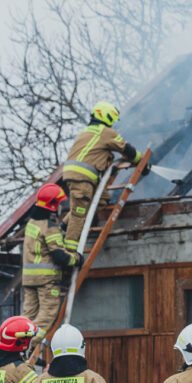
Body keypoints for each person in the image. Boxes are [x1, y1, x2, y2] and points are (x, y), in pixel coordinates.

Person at [60, 101, 145, 251]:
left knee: (102, 200)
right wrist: (143, 162)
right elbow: (126, 149)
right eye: (112, 119)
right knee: (79, 213)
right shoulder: (105, 132)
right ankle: (69, 250)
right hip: (83, 177)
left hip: (76, 175)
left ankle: (63, 225)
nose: (113, 124)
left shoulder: (86, 131)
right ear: (107, 117)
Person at [22, 183, 81, 346]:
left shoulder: (32, 223)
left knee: (28, 317)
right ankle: (27, 345)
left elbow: (44, 241)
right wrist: (77, 259)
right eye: (59, 203)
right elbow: (60, 256)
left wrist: (61, 226)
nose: (61, 207)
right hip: (46, 281)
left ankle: (16, 344)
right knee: (47, 316)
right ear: (53, 205)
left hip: (29, 280)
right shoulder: (50, 228)